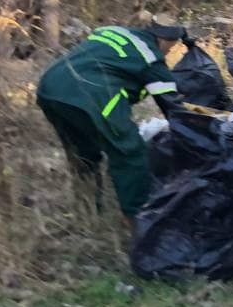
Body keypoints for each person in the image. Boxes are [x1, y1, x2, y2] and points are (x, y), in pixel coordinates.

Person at [37, 14, 186, 228]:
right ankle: (138, 221)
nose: (169, 53)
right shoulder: (152, 59)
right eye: (170, 48)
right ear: (164, 40)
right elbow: (172, 107)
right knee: (130, 153)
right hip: (90, 96)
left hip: (49, 87)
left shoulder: (114, 31)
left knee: (83, 153)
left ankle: (86, 212)